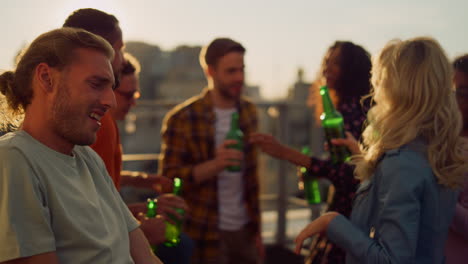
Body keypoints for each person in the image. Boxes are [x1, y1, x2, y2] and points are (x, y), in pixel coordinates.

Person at [294, 37, 468, 263]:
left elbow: (391, 259)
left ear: (394, 90)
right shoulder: (439, 151)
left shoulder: (402, 162)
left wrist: (332, 223)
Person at [0, 27, 162, 264]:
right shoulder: (14, 160)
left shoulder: (87, 157)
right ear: (46, 78)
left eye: (111, 87)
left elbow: (144, 255)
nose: (111, 100)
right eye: (97, 84)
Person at [63, 8, 191, 262]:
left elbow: (93, 180)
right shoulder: (98, 125)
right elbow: (91, 212)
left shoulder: (72, 123)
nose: (122, 59)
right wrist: (142, 221)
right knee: (182, 247)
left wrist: (142, 180)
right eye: (119, 49)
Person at [251, 41, 371, 263]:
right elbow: (344, 163)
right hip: (346, 211)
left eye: (336, 63)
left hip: (352, 214)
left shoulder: (351, 111)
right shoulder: (353, 107)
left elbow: (347, 173)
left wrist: (286, 153)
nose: (326, 69)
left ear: (352, 70)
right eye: (326, 62)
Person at [159, 37, 262, 264]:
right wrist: (216, 164)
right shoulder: (182, 118)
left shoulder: (249, 112)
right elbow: (168, 181)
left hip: (245, 229)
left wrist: (257, 232)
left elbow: (252, 180)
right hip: (203, 230)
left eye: (242, 70)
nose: (239, 78)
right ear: (210, 72)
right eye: (231, 71)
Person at [445, 54, 468, 264]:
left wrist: (437, 191)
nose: (453, 100)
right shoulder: (441, 143)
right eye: (452, 91)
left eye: (462, 92)